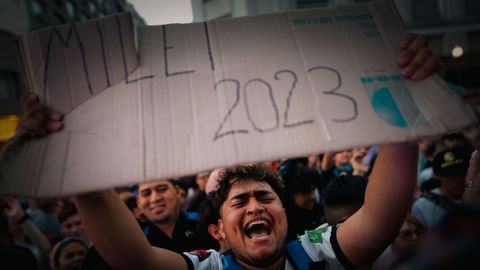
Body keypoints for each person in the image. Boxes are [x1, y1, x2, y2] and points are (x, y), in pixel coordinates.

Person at [16, 33, 443, 269]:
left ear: (285, 215)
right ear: (218, 230)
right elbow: (133, 260)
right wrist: (70, 153)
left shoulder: (321, 254)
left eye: (264, 197)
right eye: (239, 201)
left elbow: (383, 215)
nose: (254, 206)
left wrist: (404, 96)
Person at [411, 147, 469, 228]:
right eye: (451, 175)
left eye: (462, 173)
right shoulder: (422, 206)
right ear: (438, 175)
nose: (459, 180)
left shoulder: (475, 196)